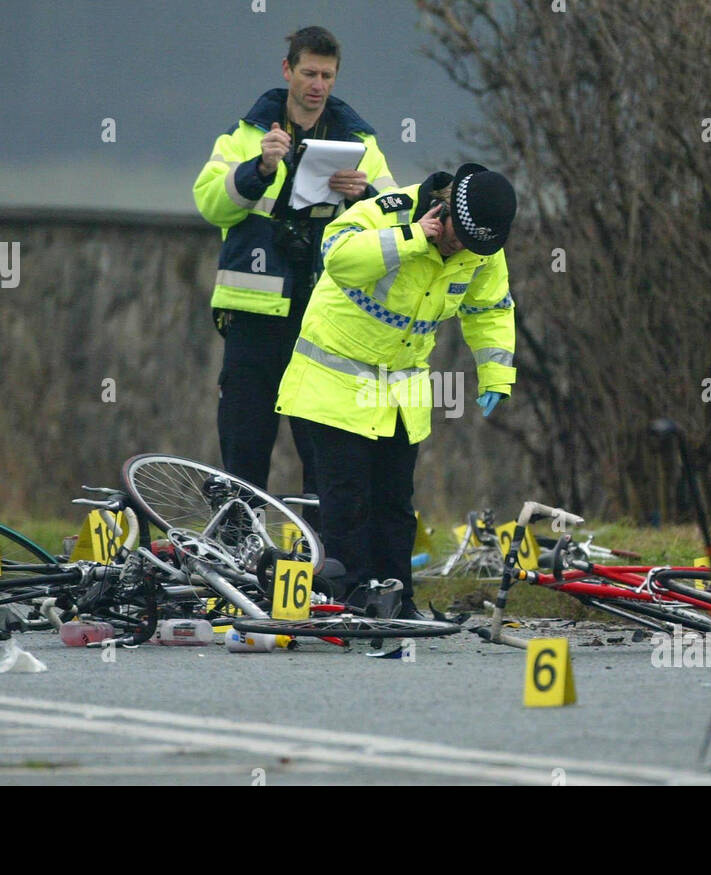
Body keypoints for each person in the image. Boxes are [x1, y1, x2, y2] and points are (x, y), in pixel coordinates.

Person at [275, 163, 518, 617]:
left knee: (394, 504)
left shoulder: (481, 246)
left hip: (399, 390)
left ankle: (395, 600)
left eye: (471, 243)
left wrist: (496, 376)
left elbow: (490, 310)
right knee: (345, 503)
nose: (460, 247)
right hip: (333, 382)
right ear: (441, 210)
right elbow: (339, 258)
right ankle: (348, 602)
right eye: (454, 235)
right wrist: (411, 239)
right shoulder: (385, 214)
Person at [193, 26, 397, 498]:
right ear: (288, 70)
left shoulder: (359, 140)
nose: (318, 84)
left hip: (324, 318)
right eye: (308, 72)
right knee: (244, 445)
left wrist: (363, 193)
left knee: (323, 449)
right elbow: (209, 202)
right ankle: (238, 555)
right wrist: (258, 169)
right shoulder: (247, 134)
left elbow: (392, 218)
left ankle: (323, 562)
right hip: (253, 316)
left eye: (327, 75)